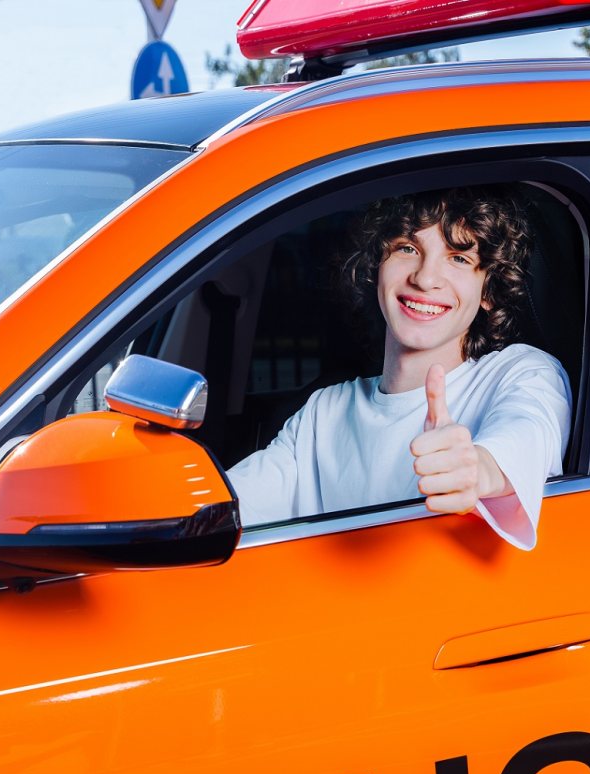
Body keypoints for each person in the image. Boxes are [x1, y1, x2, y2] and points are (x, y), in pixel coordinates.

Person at [227, 187, 572, 550]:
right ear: (378, 265)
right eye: (408, 249)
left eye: (458, 258)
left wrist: (480, 467)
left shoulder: (521, 372)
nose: (425, 278)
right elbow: (230, 509)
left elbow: (526, 432)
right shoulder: (323, 411)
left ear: (488, 290)